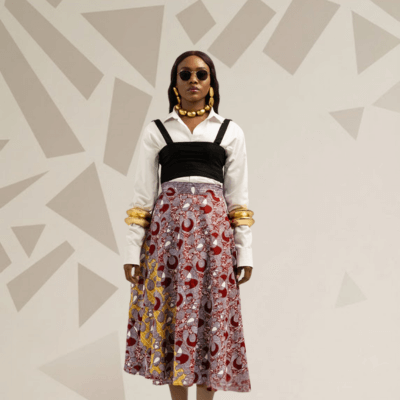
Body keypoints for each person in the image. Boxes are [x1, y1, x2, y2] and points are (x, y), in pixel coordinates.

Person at [122, 50, 255, 399]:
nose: (193, 80)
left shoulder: (230, 132)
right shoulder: (157, 131)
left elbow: (238, 200)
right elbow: (142, 199)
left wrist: (245, 253)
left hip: (215, 244)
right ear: (174, 82)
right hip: (167, 244)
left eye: (201, 74)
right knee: (172, 318)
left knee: (212, 323)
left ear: (211, 82)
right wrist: (132, 252)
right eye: (185, 74)